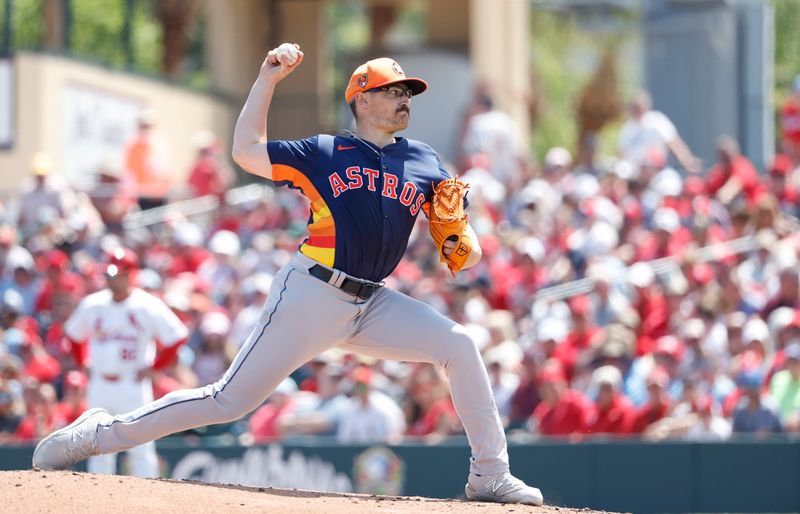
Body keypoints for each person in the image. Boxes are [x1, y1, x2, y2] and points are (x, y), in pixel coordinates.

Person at [32, 44, 543, 506]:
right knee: (228, 402)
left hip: (374, 303)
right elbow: (246, 151)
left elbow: (462, 254)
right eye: (393, 91)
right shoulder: (325, 152)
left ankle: (489, 475)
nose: (405, 98)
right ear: (361, 100)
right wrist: (267, 81)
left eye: (408, 91)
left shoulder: (426, 161)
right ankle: (99, 434)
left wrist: (461, 241)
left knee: (460, 345)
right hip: (312, 293)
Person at [61, 247, 189, 477]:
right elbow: (73, 334)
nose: (112, 279)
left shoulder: (146, 304)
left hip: (132, 383)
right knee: (97, 443)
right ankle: (99, 497)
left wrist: (156, 368)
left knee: (140, 443)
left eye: (118, 274)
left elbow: (177, 337)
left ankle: (147, 497)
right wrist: (82, 362)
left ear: (131, 274)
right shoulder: (94, 304)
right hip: (99, 381)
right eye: (110, 275)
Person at [618, 90, 700, 174]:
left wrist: (687, 161)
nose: (638, 109)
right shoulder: (628, 129)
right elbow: (622, 155)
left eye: (639, 106)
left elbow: (674, 143)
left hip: (657, 172)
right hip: (634, 176)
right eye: (635, 106)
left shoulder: (658, 121)